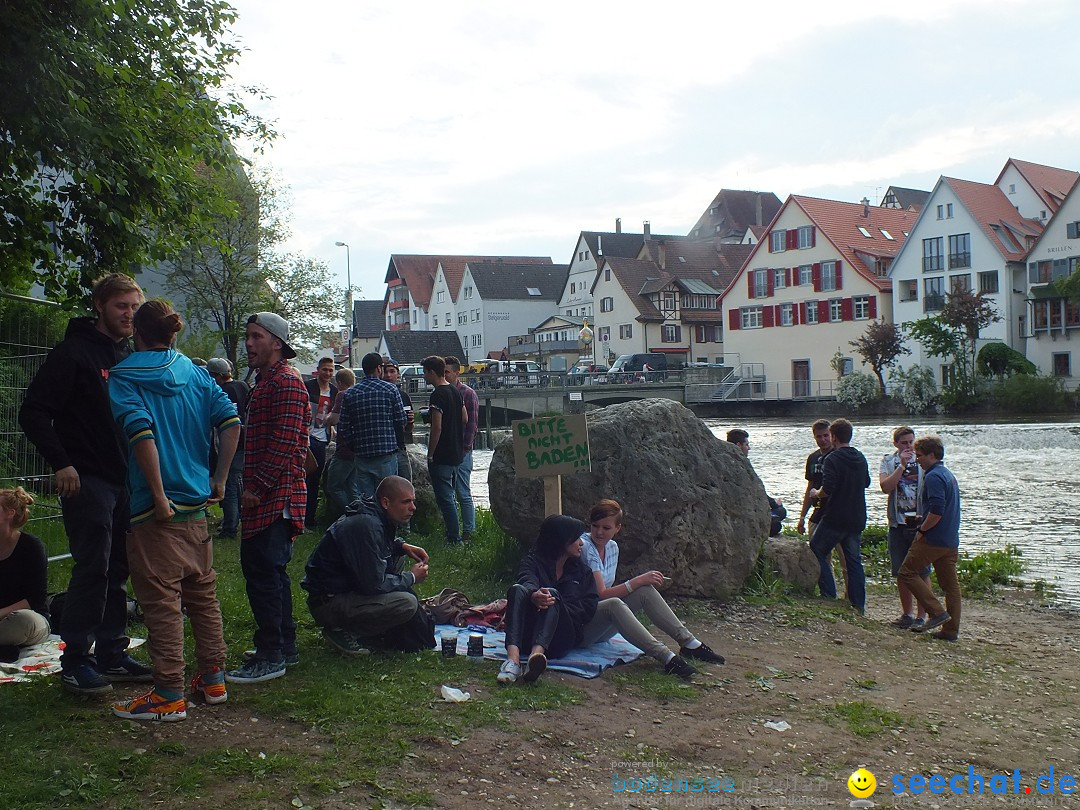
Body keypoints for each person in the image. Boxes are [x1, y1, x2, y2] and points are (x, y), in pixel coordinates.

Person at [18, 272, 152, 695]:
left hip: (124, 478)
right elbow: (34, 412)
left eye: (134, 307)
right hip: (86, 479)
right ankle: (76, 659)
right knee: (92, 566)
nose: (129, 314)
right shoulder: (72, 354)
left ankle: (112, 651)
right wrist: (63, 464)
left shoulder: (129, 354)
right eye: (121, 306)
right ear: (100, 305)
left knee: (118, 567)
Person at [107, 300, 240, 721]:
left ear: (136, 333)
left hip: (155, 511)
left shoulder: (124, 376)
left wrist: (159, 495)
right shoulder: (196, 373)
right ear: (173, 334)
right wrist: (218, 480)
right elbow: (231, 421)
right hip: (197, 505)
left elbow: (140, 432)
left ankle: (167, 694)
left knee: (161, 603)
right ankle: (213, 680)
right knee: (202, 594)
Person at [226, 312, 310, 685]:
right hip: (270, 494)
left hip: (277, 495)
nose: (249, 343)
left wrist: (254, 489)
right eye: (248, 336)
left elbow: (285, 443)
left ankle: (271, 654)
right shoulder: (266, 381)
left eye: (257, 336)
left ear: (277, 343)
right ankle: (283, 645)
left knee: (264, 575)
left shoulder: (287, 383)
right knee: (270, 574)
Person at [579, 499, 724, 679]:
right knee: (617, 602)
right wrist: (636, 581)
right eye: (595, 526)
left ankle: (690, 644)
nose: (599, 532)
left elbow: (606, 592)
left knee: (644, 590)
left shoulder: (612, 547)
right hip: (581, 626)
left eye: (606, 528)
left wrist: (639, 583)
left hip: (599, 622)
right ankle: (667, 657)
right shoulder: (585, 546)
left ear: (618, 528)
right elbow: (602, 595)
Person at [302, 476, 435, 655]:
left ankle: (369, 627)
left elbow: (377, 547)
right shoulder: (365, 525)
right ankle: (346, 632)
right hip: (329, 602)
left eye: (413, 501)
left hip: (343, 589)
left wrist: (401, 546)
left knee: (399, 557)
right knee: (407, 603)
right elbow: (373, 584)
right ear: (386, 502)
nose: (413, 508)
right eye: (406, 502)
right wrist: (411, 577)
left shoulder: (373, 513)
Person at [498, 515, 598, 685]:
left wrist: (558, 606)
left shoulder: (583, 572)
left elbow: (588, 607)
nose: (581, 543)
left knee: (552, 594)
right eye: (576, 539)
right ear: (561, 541)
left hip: (562, 637)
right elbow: (526, 579)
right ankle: (513, 661)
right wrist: (534, 595)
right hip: (528, 633)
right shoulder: (532, 561)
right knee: (517, 590)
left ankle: (536, 658)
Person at [900, 436, 962, 641]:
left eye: (919, 456)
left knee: (906, 572)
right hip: (950, 539)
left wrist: (922, 530)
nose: (917, 460)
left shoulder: (933, 476)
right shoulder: (948, 474)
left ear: (931, 455)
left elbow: (937, 510)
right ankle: (950, 630)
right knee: (950, 586)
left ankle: (936, 613)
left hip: (934, 538)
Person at [808, 419, 870, 614]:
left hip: (835, 516)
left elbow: (829, 487)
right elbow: (866, 482)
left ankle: (828, 594)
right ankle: (858, 604)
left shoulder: (832, 459)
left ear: (834, 437)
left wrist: (816, 493)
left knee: (817, 549)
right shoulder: (860, 457)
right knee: (854, 561)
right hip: (857, 515)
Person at [337, 352, 406, 501]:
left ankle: (370, 523)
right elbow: (401, 420)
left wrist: (354, 446)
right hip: (386, 453)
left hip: (362, 455)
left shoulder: (350, 394)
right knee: (389, 496)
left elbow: (343, 427)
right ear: (378, 368)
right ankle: (389, 524)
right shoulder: (391, 390)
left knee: (367, 499)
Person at [880, 425, 930, 630]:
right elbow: (885, 487)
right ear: (896, 444)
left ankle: (922, 615)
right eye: (904, 443)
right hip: (897, 522)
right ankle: (907, 613)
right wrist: (901, 466)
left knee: (922, 571)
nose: (909, 446)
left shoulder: (923, 463)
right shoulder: (888, 461)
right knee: (900, 570)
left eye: (911, 442)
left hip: (919, 523)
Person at [796, 419, 848, 597]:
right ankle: (828, 593)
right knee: (820, 556)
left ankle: (850, 596)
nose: (823, 440)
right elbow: (810, 486)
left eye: (826, 435)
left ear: (832, 436)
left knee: (846, 559)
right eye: (819, 437)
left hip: (837, 513)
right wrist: (802, 516)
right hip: (818, 513)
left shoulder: (839, 455)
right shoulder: (813, 458)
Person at [0, 488, 51, 659]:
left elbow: (35, 599)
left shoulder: (31, 547)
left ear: (10, 513)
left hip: (24, 619)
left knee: (24, 621)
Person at [422, 356, 467, 544]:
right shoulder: (455, 391)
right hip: (456, 452)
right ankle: (456, 533)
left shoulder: (437, 394)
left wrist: (431, 453)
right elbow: (464, 418)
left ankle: (454, 538)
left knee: (445, 499)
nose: (424, 376)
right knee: (453, 497)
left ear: (432, 372)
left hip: (442, 454)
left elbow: (437, 427)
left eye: (425, 372)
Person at [207, 358, 250, 539]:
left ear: (217, 376)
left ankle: (230, 527)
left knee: (230, 485)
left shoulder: (225, 391)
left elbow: (231, 422)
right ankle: (234, 519)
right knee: (237, 482)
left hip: (233, 445)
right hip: (246, 443)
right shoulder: (243, 386)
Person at [443, 356, 477, 542]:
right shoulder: (443, 391)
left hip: (462, 451)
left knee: (463, 492)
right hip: (449, 450)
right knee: (450, 493)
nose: (445, 375)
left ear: (457, 373)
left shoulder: (467, 393)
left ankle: (469, 531)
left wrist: (465, 449)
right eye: (443, 372)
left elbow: (471, 425)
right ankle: (453, 530)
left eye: (447, 372)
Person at [726, 429, 786, 536]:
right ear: (739, 445)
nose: (749, 448)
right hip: (746, 514)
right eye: (747, 444)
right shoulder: (741, 466)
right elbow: (756, 491)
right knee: (779, 514)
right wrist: (774, 504)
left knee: (779, 512)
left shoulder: (725, 461)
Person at [304, 357, 338, 529]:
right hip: (307, 435)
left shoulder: (333, 390)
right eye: (325, 369)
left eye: (331, 370)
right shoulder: (308, 387)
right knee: (303, 476)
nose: (328, 373)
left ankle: (309, 518)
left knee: (315, 478)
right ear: (318, 370)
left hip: (322, 436)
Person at [322, 367, 358, 516]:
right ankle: (361, 516)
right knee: (352, 486)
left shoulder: (342, 394)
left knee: (333, 486)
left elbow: (334, 419)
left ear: (339, 382)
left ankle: (353, 513)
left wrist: (326, 418)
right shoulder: (359, 393)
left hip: (344, 449)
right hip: (358, 449)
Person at [381, 361, 414, 481]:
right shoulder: (379, 394)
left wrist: (410, 422)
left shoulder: (404, 396)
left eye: (392, 371)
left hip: (400, 447)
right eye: (386, 372)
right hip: (384, 449)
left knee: (406, 483)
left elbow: (408, 430)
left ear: (398, 374)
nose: (388, 375)